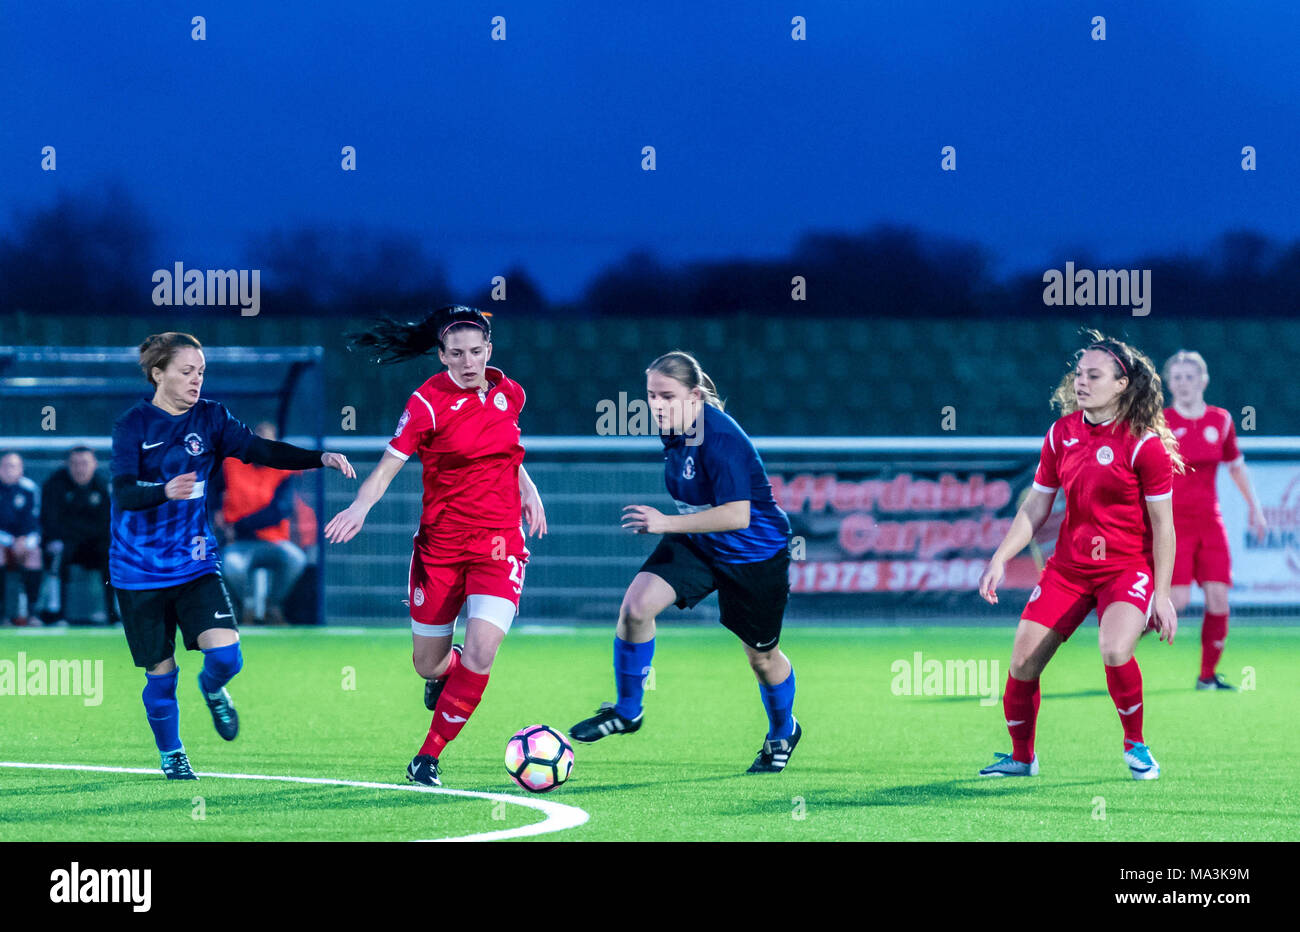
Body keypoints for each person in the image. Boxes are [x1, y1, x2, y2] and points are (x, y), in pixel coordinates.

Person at [111, 332, 355, 780]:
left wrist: (319, 457)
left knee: (227, 659)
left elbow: (262, 450)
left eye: (201, 372)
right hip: (138, 570)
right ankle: (173, 754)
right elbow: (124, 491)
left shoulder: (212, 419)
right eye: (186, 371)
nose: (196, 380)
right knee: (161, 676)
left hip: (194, 563)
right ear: (157, 373)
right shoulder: (132, 425)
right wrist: (163, 490)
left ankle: (213, 689)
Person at [326, 305, 546, 788]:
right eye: (456, 354)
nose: (468, 362)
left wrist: (526, 486)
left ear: (489, 350)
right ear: (441, 356)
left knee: (483, 653)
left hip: (500, 544)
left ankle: (427, 756)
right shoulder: (426, 403)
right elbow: (387, 466)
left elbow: (504, 449)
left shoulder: (511, 392)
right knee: (427, 663)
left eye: (476, 352)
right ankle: (447, 672)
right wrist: (361, 507)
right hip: (440, 549)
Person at [568, 351, 800, 774]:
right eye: (651, 396)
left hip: (753, 555)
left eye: (667, 396)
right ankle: (627, 710)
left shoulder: (720, 437)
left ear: (695, 395)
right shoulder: (675, 428)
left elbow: (738, 516)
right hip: (699, 542)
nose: (656, 405)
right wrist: (678, 527)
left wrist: (665, 522)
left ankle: (783, 730)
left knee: (762, 658)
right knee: (636, 608)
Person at [978, 330, 1182, 781]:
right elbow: (1035, 506)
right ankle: (1021, 757)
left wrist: (1162, 594)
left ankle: (1136, 745)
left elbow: (1165, 527)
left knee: (1113, 650)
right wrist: (1000, 557)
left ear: (1121, 384)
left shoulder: (1144, 445)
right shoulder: (1060, 434)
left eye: (1093, 375)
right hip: (1068, 570)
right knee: (1022, 663)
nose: (1081, 382)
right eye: (1078, 374)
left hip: (1125, 570)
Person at [1163, 350, 1266, 690]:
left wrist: (1255, 507)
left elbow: (1236, 465)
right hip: (1173, 525)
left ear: (1203, 380)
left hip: (1210, 522)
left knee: (1219, 598)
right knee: (1175, 602)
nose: (1184, 383)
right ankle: (1123, 638)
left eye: (1190, 376)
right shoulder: (1159, 422)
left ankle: (1207, 676)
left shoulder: (1220, 420)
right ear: (1168, 383)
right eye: (1177, 377)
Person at [216, 421, 309, 625]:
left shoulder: (285, 469)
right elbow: (213, 494)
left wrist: (238, 526)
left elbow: (279, 510)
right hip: (239, 544)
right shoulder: (231, 464)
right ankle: (247, 609)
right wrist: (217, 515)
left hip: (273, 541)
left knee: (296, 559)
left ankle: (272, 606)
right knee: (231, 566)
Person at [40, 446, 117, 625]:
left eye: (84, 463)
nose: (80, 468)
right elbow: (50, 522)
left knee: (113, 555)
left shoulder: (103, 486)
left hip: (94, 544)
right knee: (57, 552)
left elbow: (107, 523)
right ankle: (55, 614)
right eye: (74, 464)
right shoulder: (54, 485)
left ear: (95, 464)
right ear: (67, 465)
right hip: (65, 544)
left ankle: (114, 615)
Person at [0, 452, 43, 626]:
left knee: (35, 555)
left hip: (24, 543)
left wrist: (25, 541)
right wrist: (10, 541)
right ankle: (2, 615)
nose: (9, 470)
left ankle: (32, 613)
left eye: (14, 466)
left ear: (21, 469)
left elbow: (35, 522)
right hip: (3, 543)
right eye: (5, 466)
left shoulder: (30, 489)